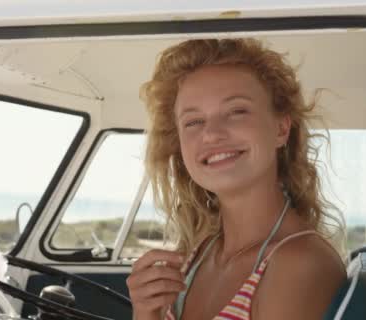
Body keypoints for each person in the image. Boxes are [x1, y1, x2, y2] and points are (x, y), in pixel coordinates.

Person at [126, 38, 347, 320]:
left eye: (236, 111)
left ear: (281, 129)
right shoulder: (200, 252)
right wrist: (146, 313)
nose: (211, 134)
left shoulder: (299, 264)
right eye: (193, 122)